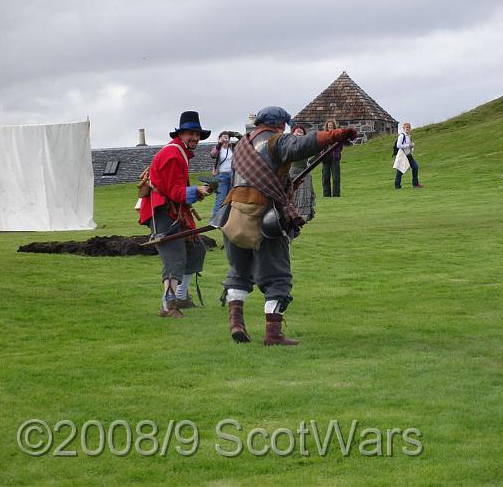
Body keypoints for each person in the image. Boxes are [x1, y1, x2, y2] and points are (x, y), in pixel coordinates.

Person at [222, 106, 357, 345]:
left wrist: (286, 184)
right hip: (262, 218)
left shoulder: (242, 144)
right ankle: (273, 335)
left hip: (232, 216)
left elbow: (258, 178)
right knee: (278, 278)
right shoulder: (276, 141)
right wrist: (335, 135)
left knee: (239, 274)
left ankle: (236, 323)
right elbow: (300, 146)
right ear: (281, 125)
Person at [138, 111, 212, 318]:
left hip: (173, 209)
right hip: (162, 211)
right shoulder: (173, 155)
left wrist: (195, 193)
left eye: (197, 134)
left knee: (196, 249)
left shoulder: (179, 152)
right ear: (180, 134)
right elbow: (174, 192)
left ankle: (181, 296)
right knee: (175, 258)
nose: (195, 138)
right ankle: (167, 305)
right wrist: (197, 191)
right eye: (191, 133)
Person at [289, 124, 316, 222]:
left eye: (301, 131)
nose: (299, 132)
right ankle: (294, 215)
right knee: (293, 196)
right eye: (297, 131)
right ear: (293, 133)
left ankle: (304, 215)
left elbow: (316, 153)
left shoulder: (307, 144)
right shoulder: (289, 144)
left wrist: (310, 163)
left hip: (305, 173)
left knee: (305, 195)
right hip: (292, 173)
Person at [210, 130, 240, 218]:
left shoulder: (233, 147)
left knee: (231, 199)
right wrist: (219, 144)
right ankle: (215, 219)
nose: (225, 139)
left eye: (227, 137)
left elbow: (243, 140)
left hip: (232, 176)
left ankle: (227, 218)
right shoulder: (217, 148)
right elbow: (213, 154)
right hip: (221, 177)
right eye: (223, 137)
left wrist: (234, 134)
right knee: (221, 199)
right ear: (219, 139)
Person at [394, 123, 423, 189]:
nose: (408, 128)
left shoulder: (409, 136)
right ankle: (397, 186)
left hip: (409, 155)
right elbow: (398, 145)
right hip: (403, 155)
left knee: (415, 167)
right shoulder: (402, 135)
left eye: (409, 127)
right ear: (403, 128)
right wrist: (408, 145)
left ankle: (415, 184)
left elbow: (410, 145)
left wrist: (412, 147)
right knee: (400, 170)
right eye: (406, 127)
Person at [321, 119, 344, 197]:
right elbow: (320, 145)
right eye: (329, 126)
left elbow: (341, 146)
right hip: (325, 158)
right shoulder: (323, 135)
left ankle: (336, 195)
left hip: (335, 158)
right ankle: (326, 195)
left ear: (334, 126)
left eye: (331, 125)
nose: (330, 127)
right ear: (327, 127)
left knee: (336, 178)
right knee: (325, 178)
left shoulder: (338, 135)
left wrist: (337, 151)